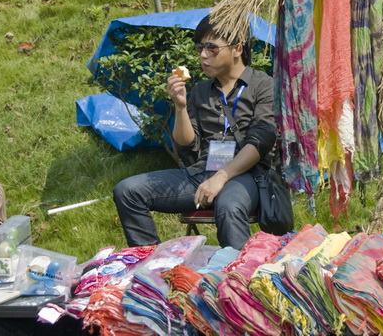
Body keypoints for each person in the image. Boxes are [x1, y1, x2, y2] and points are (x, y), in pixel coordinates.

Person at [113, 15, 277, 249]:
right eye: (200, 47)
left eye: (211, 47)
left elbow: (262, 141)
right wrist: (180, 105)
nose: (202, 55)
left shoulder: (264, 85)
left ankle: (238, 278)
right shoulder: (200, 90)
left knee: (229, 205)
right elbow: (188, 144)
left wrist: (222, 177)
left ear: (237, 48)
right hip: (203, 172)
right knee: (127, 191)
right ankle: (150, 269)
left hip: (247, 175)